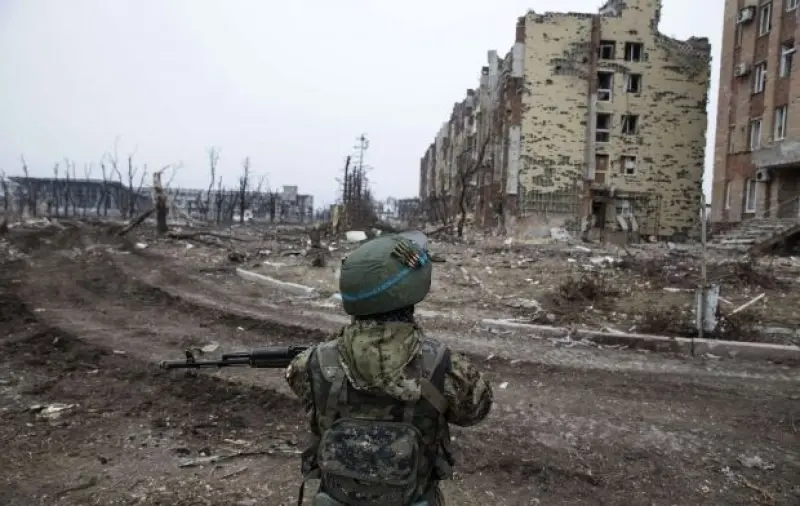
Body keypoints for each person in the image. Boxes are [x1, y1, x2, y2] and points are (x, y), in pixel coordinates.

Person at [285, 231, 493, 506]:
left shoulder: (311, 363)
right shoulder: (445, 366)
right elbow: (475, 411)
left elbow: (302, 388)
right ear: (410, 292)